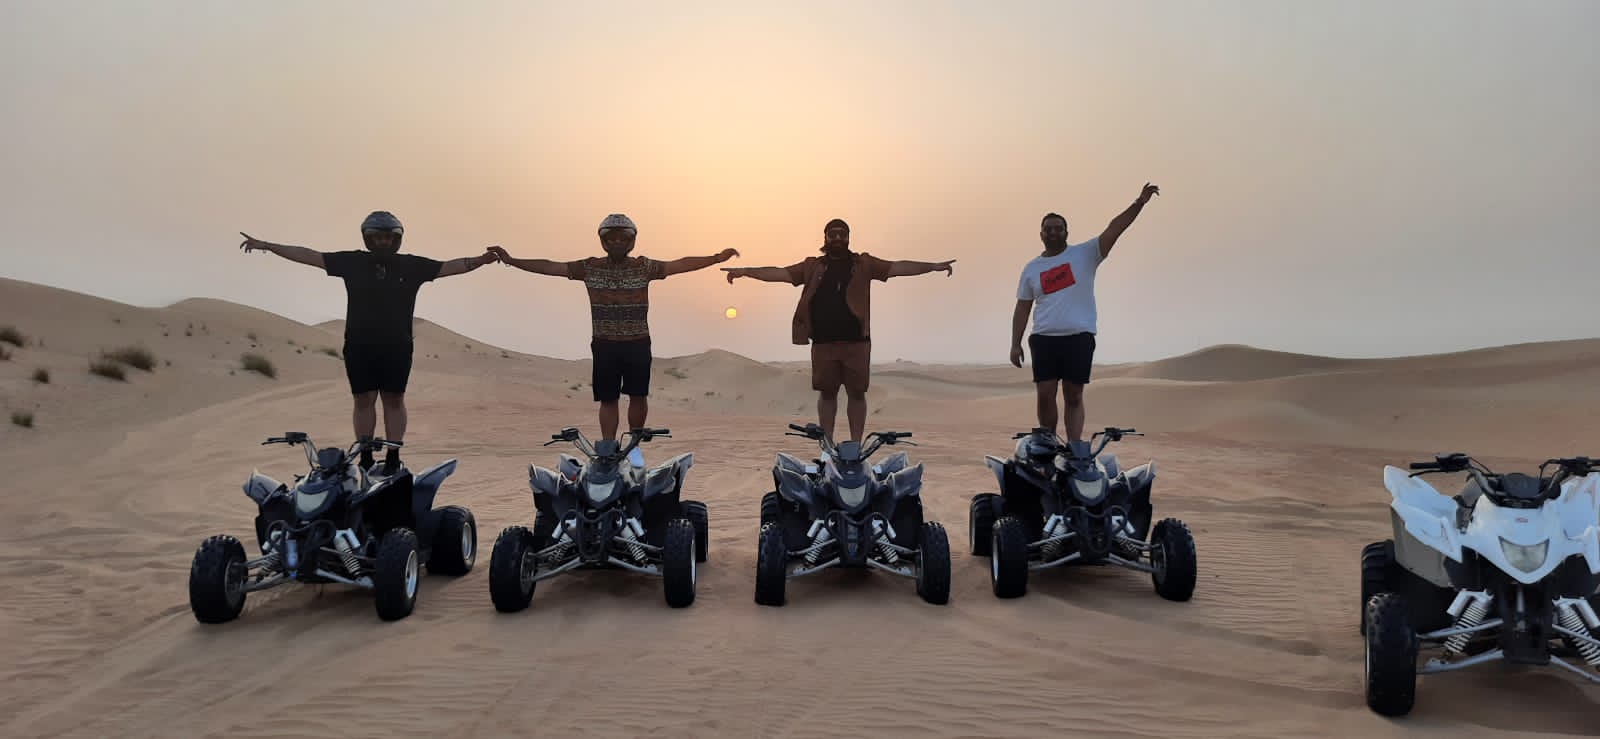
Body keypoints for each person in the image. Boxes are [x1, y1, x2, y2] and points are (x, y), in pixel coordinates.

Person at [238, 210, 497, 474]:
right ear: (367, 238)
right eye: (377, 237)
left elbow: (448, 267)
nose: (383, 242)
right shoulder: (353, 262)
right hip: (360, 345)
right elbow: (310, 256)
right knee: (363, 400)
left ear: (396, 239)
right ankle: (364, 454)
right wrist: (268, 246)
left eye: (388, 237)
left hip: (397, 346)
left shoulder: (411, 265)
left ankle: (394, 453)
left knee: (394, 399)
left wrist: (482, 260)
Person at [488, 214, 738, 465]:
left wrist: (715, 258)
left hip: (637, 342)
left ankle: (634, 446)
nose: (617, 242)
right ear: (604, 241)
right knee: (608, 398)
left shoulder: (644, 267)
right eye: (612, 238)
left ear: (631, 241)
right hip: (604, 343)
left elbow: (679, 265)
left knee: (638, 395)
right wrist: (512, 261)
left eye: (622, 237)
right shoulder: (589, 267)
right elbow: (550, 266)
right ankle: (608, 447)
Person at [723, 218, 954, 444]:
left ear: (848, 237)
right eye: (832, 234)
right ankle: (828, 444)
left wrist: (932, 267)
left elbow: (897, 267)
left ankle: (855, 444)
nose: (837, 238)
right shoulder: (812, 266)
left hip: (857, 343)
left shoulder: (864, 264)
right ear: (825, 237)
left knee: (856, 394)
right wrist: (745, 271)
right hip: (824, 343)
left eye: (842, 234)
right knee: (827, 393)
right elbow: (779, 273)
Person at [1010, 183, 1160, 442]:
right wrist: (1015, 343)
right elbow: (1022, 307)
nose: (1053, 232)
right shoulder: (1031, 269)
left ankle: (1074, 446)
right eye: (1048, 229)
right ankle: (1048, 442)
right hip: (1044, 338)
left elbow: (1115, 228)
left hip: (1079, 337)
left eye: (1058, 228)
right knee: (1045, 393)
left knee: (1074, 394)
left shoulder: (1086, 254)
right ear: (1041, 234)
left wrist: (1139, 202)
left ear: (1066, 231)